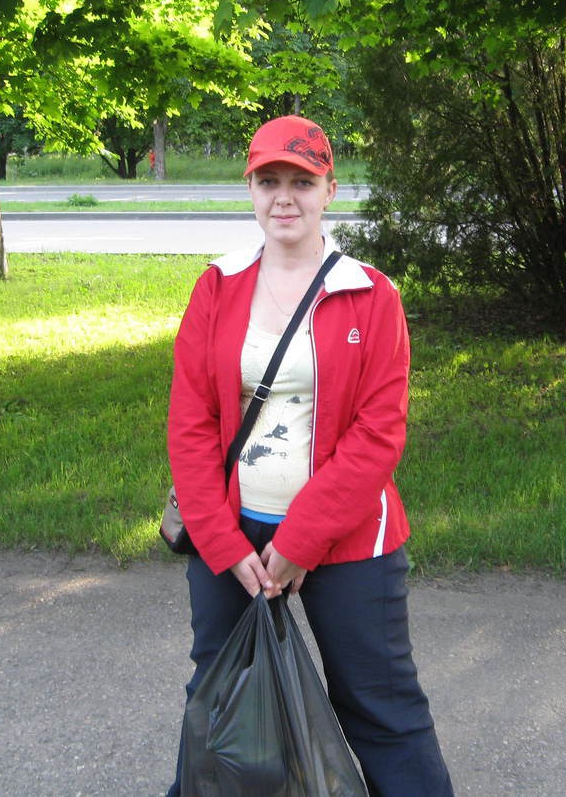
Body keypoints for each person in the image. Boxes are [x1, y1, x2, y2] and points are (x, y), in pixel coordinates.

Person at [165, 115, 454, 796]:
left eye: (302, 182)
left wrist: (300, 541)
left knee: (379, 706)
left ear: (330, 190)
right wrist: (221, 544)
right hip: (232, 538)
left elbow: (379, 434)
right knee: (221, 699)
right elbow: (191, 425)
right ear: (251, 190)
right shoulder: (217, 286)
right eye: (269, 181)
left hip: (348, 540)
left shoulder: (371, 294)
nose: (284, 198)